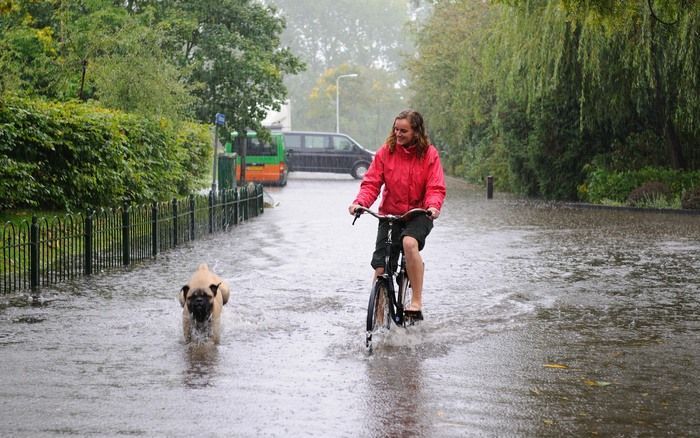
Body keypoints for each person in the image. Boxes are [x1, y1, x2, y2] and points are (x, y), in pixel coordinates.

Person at [348, 109, 446, 319]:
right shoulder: (386, 152)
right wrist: (360, 203)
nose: (398, 134)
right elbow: (372, 183)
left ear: (416, 132)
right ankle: (378, 315)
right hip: (390, 214)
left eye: (404, 130)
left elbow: (435, 186)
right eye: (396, 129)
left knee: (409, 244)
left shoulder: (429, 154)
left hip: (420, 213)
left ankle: (416, 301)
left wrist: (433, 206)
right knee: (381, 266)